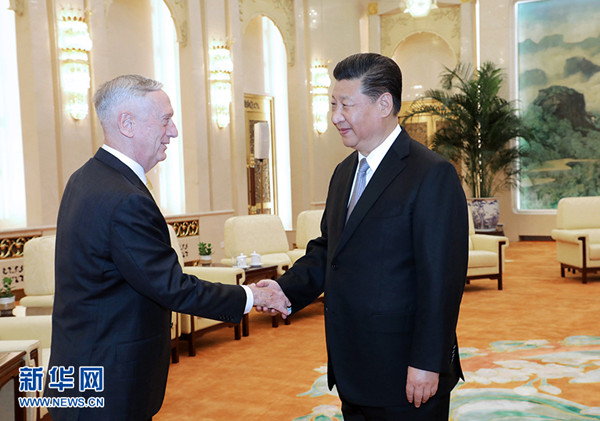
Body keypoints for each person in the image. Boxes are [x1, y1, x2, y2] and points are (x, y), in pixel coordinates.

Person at [45, 74, 290, 421]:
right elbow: (171, 287)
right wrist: (253, 295)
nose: (173, 131)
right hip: (109, 385)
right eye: (165, 120)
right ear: (127, 124)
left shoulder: (86, 178)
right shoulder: (123, 198)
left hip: (83, 371)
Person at [257, 53, 468, 420]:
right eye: (332, 104)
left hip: (406, 373)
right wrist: (285, 289)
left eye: (346, 105)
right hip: (353, 367)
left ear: (384, 104)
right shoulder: (344, 172)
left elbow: (441, 281)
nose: (336, 116)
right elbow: (329, 251)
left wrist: (427, 361)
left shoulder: (431, 174)